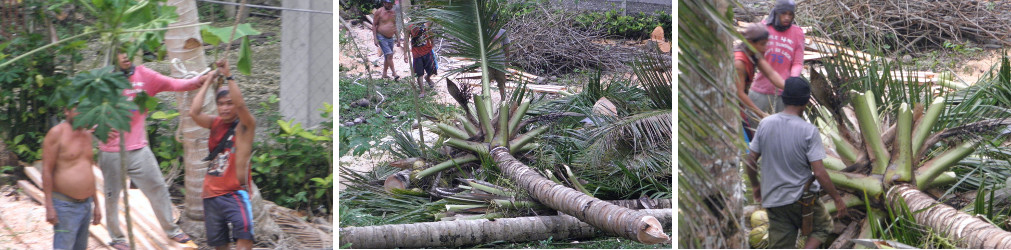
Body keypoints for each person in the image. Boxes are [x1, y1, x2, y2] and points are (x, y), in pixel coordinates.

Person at [101, 51, 214, 250]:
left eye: (128, 51)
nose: (125, 56)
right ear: (112, 55)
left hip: (139, 149)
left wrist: (200, 80)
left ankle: (171, 229)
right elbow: (82, 109)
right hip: (111, 151)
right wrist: (96, 129)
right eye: (120, 52)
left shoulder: (145, 75)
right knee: (112, 196)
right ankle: (117, 238)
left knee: (158, 188)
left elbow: (175, 84)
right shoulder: (102, 79)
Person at [745, 77, 849, 249]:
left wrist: (756, 187)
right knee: (823, 227)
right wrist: (837, 198)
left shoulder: (765, 124)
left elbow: (750, 162)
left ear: (783, 98)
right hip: (801, 199)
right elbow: (819, 173)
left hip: (774, 199)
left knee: (780, 246)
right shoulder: (808, 131)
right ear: (806, 102)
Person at [189, 59, 257, 250]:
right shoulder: (215, 123)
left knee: (244, 239)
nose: (226, 108)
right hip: (210, 193)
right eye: (221, 104)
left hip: (235, 193)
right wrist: (209, 81)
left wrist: (228, 75)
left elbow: (242, 105)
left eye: (229, 104)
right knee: (220, 245)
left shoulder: (245, 126)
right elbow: (194, 112)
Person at [43, 107, 101, 250]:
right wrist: (49, 206)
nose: (81, 112)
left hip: (86, 205)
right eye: (77, 109)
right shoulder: (57, 133)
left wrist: (97, 204)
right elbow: (46, 171)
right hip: (65, 205)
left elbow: (89, 169)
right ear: (66, 111)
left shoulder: (87, 135)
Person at [749, 0, 804, 116]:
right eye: (783, 14)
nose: (787, 18)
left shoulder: (797, 33)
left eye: (790, 15)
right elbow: (754, 57)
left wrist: (792, 81)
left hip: (784, 93)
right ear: (776, 13)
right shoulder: (764, 28)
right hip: (760, 89)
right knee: (752, 127)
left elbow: (797, 62)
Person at [735, 24, 785, 140]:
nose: (765, 48)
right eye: (762, 44)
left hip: (740, 110)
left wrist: (791, 88)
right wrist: (761, 114)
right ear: (750, 42)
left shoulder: (754, 54)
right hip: (731, 111)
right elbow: (739, 93)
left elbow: (771, 74)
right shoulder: (739, 62)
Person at [405, 21, 437, 97]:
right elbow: (406, 41)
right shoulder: (409, 27)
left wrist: (432, 42)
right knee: (419, 73)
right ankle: (422, 91)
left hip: (427, 51)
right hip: (417, 54)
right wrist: (405, 54)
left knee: (432, 69)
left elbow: (430, 33)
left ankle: (428, 78)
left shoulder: (426, 24)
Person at [373, 0, 401, 81]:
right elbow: (374, 25)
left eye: (391, 3)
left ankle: (384, 74)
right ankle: (394, 73)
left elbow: (394, 25)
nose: (390, 5)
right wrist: (375, 38)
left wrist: (398, 37)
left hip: (390, 37)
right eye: (388, 3)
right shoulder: (379, 12)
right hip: (381, 36)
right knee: (389, 55)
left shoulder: (393, 12)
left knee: (387, 56)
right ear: (384, 3)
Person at [489, 13, 511, 100]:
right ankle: (484, 100)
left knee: (501, 83)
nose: (490, 23)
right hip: (488, 62)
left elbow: (506, 46)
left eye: (492, 22)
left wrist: (507, 61)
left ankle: (503, 101)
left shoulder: (502, 32)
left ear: (496, 22)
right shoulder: (484, 32)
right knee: (486, 83)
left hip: (499, 62)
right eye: (489, 22)